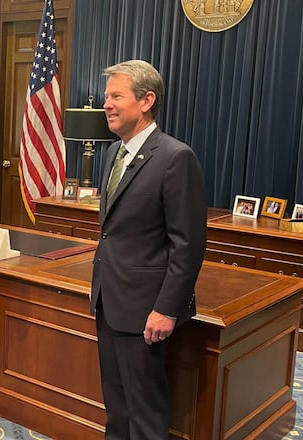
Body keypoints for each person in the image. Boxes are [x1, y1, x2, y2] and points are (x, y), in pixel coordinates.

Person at [91, 59, 207, 438]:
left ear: (146, 101)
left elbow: (187, 245)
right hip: (109, 300)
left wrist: (166, 309)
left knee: (144, 409)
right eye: (107, 96)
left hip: (145, 309)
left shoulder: (175, 157)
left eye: (116, 96)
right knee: (117, 403)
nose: (106, 104)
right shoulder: (113, 153)